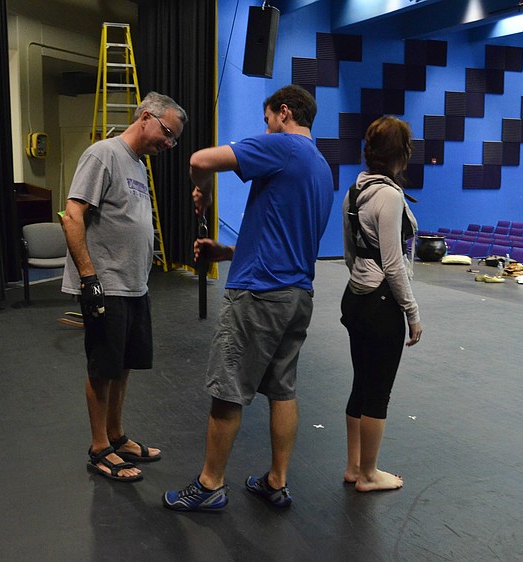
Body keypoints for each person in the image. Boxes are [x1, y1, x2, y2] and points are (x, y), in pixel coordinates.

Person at [163, 85, 334, 511]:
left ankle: (209, 485)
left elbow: (198, 160)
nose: (266, 127)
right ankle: (276, 481)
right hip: (297, 295)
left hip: (259, 293)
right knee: (282, 389)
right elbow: (287, 239)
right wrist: (228, 252)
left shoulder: (283, 146)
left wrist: (199, 190)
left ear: (284, 112)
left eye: (267, 119)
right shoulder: (322, 169)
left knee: (228, 388)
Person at [61, 92, 187, 482]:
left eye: (173, 140)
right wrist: (89, 279)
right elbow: (72, 215)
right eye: (167, 133)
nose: (168, 144)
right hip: (107, 284)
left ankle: (116, 435)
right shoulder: (103, 154)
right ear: (145, 117)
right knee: (102, 368)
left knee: (123, 366)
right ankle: (99, 448)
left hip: (134, 286)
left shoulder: (137, 164)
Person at [339, 116, 421, 493]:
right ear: (401, 154)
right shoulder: (389, 195)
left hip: (356, 298)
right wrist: (412, 313)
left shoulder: (354, 191)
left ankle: (354, 466)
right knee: (379, 390)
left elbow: (349, 254)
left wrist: (361, 280)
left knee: (361, 382)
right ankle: (370, 474)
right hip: (381, 304)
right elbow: (393, 264)